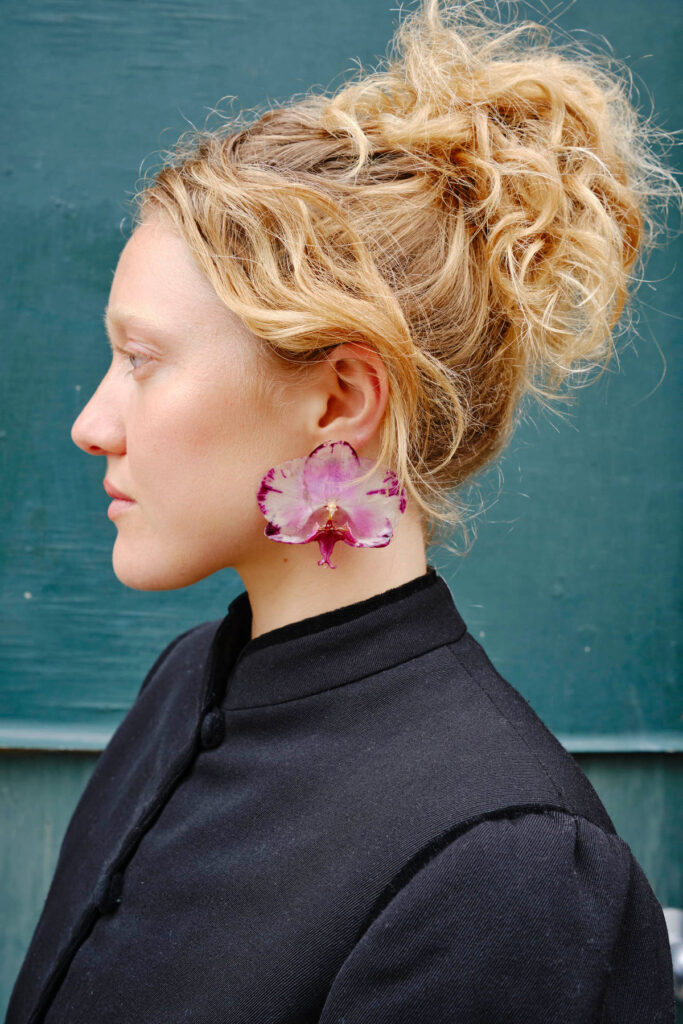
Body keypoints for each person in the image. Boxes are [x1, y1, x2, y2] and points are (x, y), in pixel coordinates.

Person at [7, 0, 680, 1021]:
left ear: (339, 400)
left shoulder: (509, 869)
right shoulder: (184, 685)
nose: (93, 424)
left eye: (142, 361)